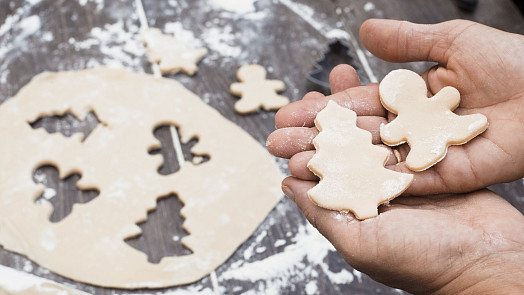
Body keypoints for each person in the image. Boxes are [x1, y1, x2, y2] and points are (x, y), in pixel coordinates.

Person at [267, 19, 524, 294]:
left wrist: (485, 272)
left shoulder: (424, 104)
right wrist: (490, 271)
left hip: (444, 125)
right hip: (424, 141)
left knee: (455, 128)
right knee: (427, 148)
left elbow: (432, 107)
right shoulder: (405, 116)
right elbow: (392, 132)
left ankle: (460, 128)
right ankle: (444, 139)